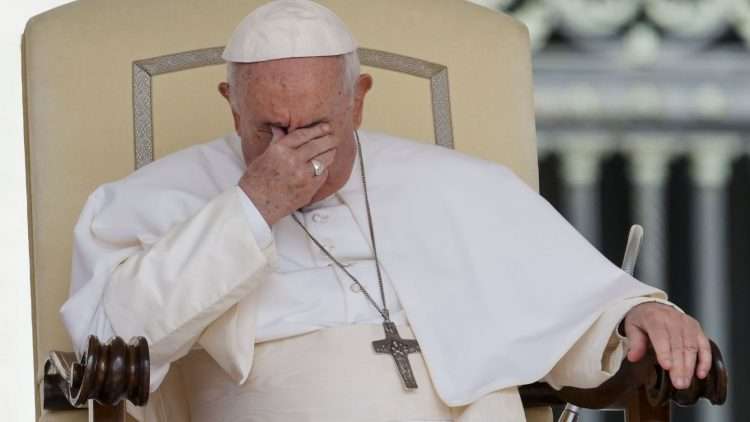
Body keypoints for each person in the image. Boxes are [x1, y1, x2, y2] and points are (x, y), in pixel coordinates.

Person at [60, 1, 712, 421]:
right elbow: (109, 338)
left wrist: (640, 310)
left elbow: (575, 299)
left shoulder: (457, 185)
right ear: (232, 104)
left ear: (359, 100)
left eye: (317, 125)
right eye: (269, 130)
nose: (296, 154)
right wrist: (251, 206)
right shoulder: (153, 197)